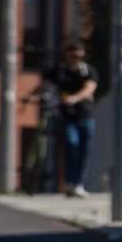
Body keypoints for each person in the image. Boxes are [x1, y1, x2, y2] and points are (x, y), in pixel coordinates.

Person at [38, 41, 99, 197]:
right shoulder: (59, 71)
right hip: (66, 116)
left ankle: (79, 184)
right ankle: (69, 182)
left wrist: (74, 98)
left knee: (84, 151)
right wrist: (33, 96)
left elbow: (89, 88)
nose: (74, 57)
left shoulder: (88, 71)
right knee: (71, 145)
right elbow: (45, 86)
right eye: (71, 53)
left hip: (85, 115)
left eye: (77, 53)